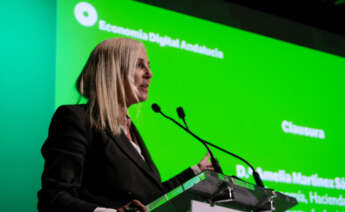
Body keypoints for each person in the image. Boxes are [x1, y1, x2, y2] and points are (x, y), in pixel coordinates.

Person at [37, 38, 214, 212]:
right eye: (139, 65)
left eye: (149, 65)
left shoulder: (130, 130)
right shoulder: (77, 119)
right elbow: (54, 198)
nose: (149, 73)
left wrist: (196, 171)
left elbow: (151, 199)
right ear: (112, 72)